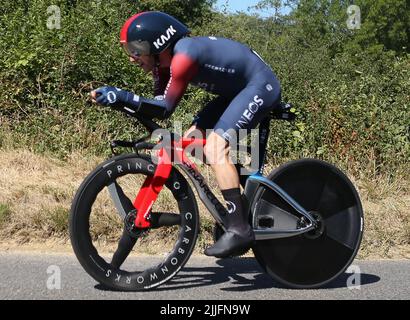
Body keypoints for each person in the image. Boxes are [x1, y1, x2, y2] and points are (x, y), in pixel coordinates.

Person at [91, 11, 281, 258]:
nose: (132, 58)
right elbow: (158, 105)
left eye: (136, 49)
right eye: (129, 50)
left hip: (260, 86)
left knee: (214, 148)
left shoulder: (185, 56)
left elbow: (165, 108)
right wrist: (120, 101)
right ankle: (243, 198)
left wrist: (122, 96)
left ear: (158, 43)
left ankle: (239, 228)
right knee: (191, 144)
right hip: (237, 92)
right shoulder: (163, 67)